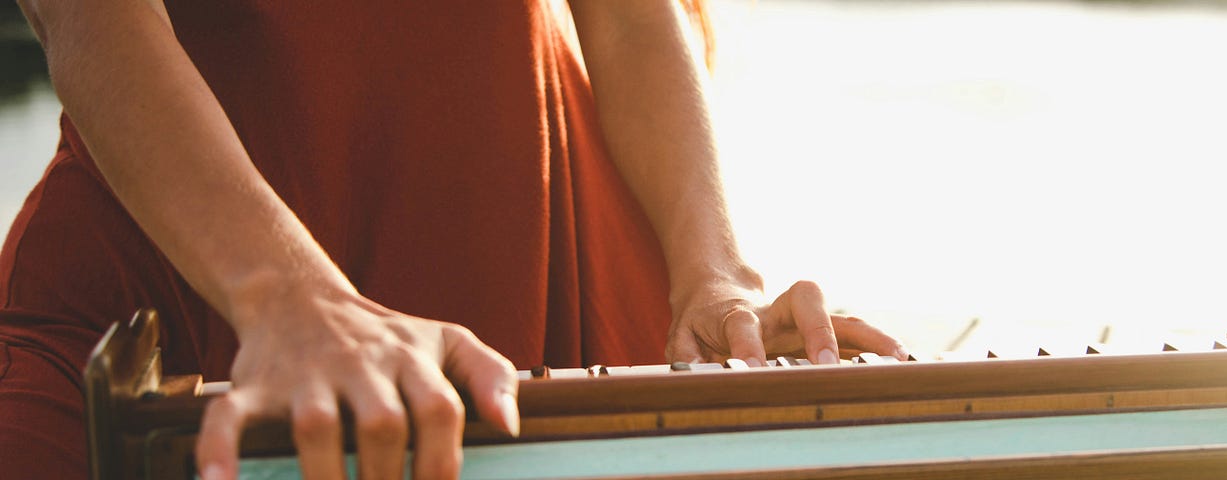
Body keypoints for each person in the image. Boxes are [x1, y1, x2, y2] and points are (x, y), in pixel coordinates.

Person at [0, 1, 906, 478]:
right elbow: (87, 12)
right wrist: (291, 301)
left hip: (543, 255)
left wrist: (714, 277)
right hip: (168, 295)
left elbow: (630, 15)